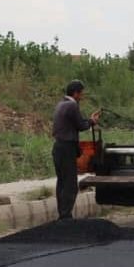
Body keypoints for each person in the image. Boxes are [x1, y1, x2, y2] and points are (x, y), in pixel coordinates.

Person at [51, 80, 100, 220]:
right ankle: (66, 217)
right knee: (71, 184)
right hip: (67, 148)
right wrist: (92, 121)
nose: (82, 97)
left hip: (58, 147)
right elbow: (81, 125)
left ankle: (63, 214)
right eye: (81, 93)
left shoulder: (61, 104)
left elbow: (75, 123)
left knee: (62, 182)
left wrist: (88, 121)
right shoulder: (72, 105)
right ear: (76, 93)